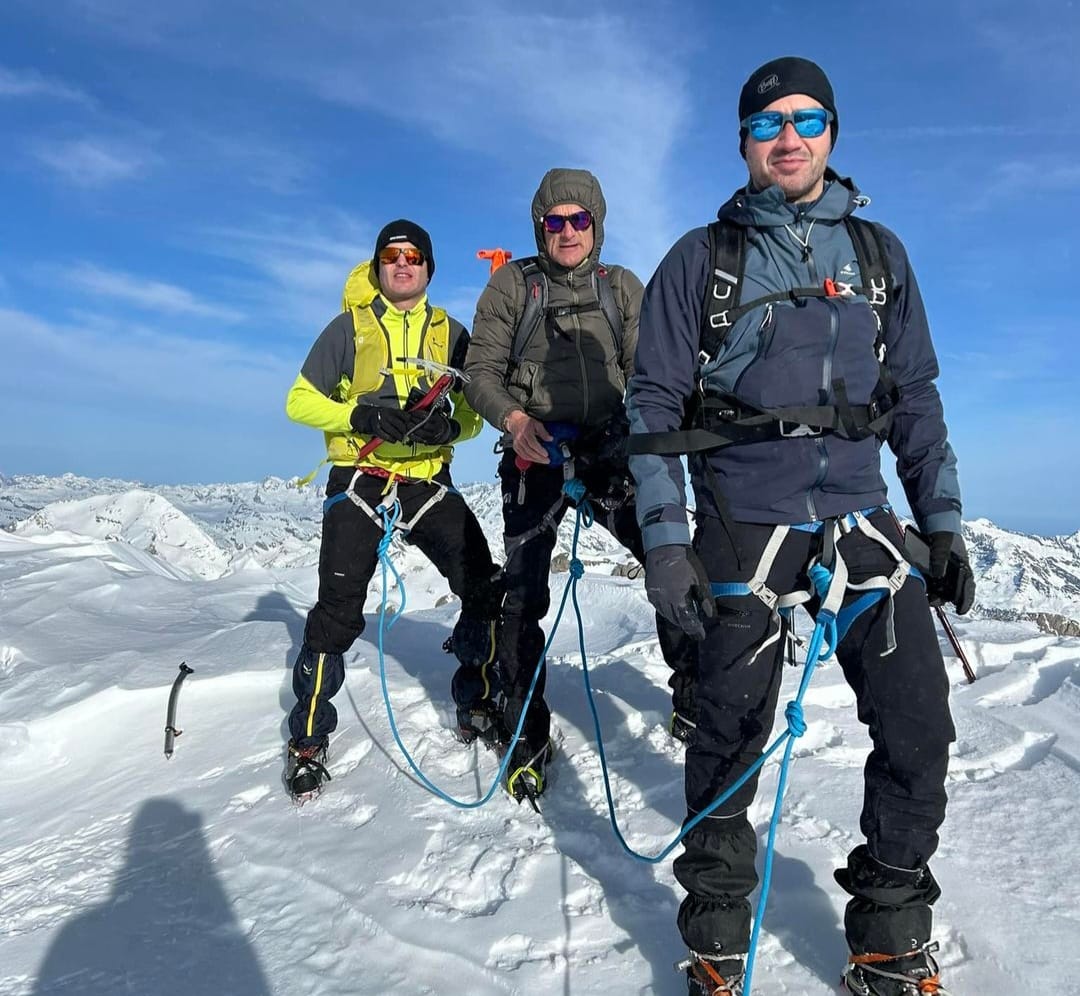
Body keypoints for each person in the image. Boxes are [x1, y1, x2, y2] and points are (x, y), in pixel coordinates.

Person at [627, 58, 975, 996]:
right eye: (768, 123)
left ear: (832, 132)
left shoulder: (878, 257)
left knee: (918, 731)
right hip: (746, 519)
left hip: (863, 520)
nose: (789, 138)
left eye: (808, 119)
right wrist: (666, 542)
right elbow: (654, 402)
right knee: (729, 738)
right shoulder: (702, 261)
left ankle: (889, 934)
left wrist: (939, 524)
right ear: (743, 141)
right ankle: (716, 942)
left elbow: (914, 398)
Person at [464, 167, 698, 806]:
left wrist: (635, 436)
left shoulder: (620, 287)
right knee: (522, 594)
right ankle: (524, 729)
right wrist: (514, 421)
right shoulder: (514, 286)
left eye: (578, 219)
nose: (566, 232)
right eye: (554, 221)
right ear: (539, 226)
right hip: (532, 450)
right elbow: (478, 369)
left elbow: (645, 368)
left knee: (667, 558)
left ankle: (695, 698)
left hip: (609, 446)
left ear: (596, 223)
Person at [283, 219, 504, 801]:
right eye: (392, 255)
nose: (403, 264)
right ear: (378, 266)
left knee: (482, 585)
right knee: (337, 613)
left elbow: (478, 410)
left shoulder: (451, 334)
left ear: (429, 268)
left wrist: (449, 423)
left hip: (426, 477)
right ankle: (307, 739)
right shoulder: (349, 329)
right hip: (361, 474)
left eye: (413, 256)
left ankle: (476, 700)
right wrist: (360, 417)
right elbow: (299, 400)